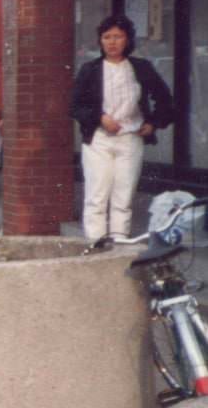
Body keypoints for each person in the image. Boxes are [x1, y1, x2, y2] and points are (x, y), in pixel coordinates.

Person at [70, 14, 175, 241]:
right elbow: (75, 105)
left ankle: (119, 246)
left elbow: (166, 100)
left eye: (118, 36)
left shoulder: (142, 67)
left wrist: (153, 123)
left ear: (128, 40)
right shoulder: (90, 69)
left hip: (131, 139)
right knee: (96, 197)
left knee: (123, 197)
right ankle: (95, 245)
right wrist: (100, 117)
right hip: (99, 140)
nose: (112, 42)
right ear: (100, 41)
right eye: (107, 37)